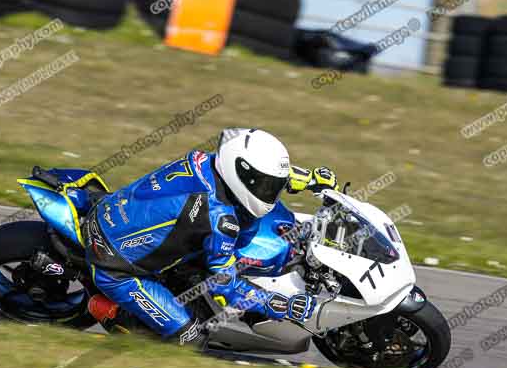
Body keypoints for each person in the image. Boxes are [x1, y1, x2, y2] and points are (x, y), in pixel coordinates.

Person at [83, 128, 339, 344]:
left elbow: (261, 173)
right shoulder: (219, 220)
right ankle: (106, 309)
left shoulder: (208, 162)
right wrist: (278, 303)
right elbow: (226, 286)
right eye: (266, 186)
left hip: (115, 211)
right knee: (192, 337)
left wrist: (309, 179)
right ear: (240, 172)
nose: (269, 192)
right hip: (117, 266)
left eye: (272, 186)